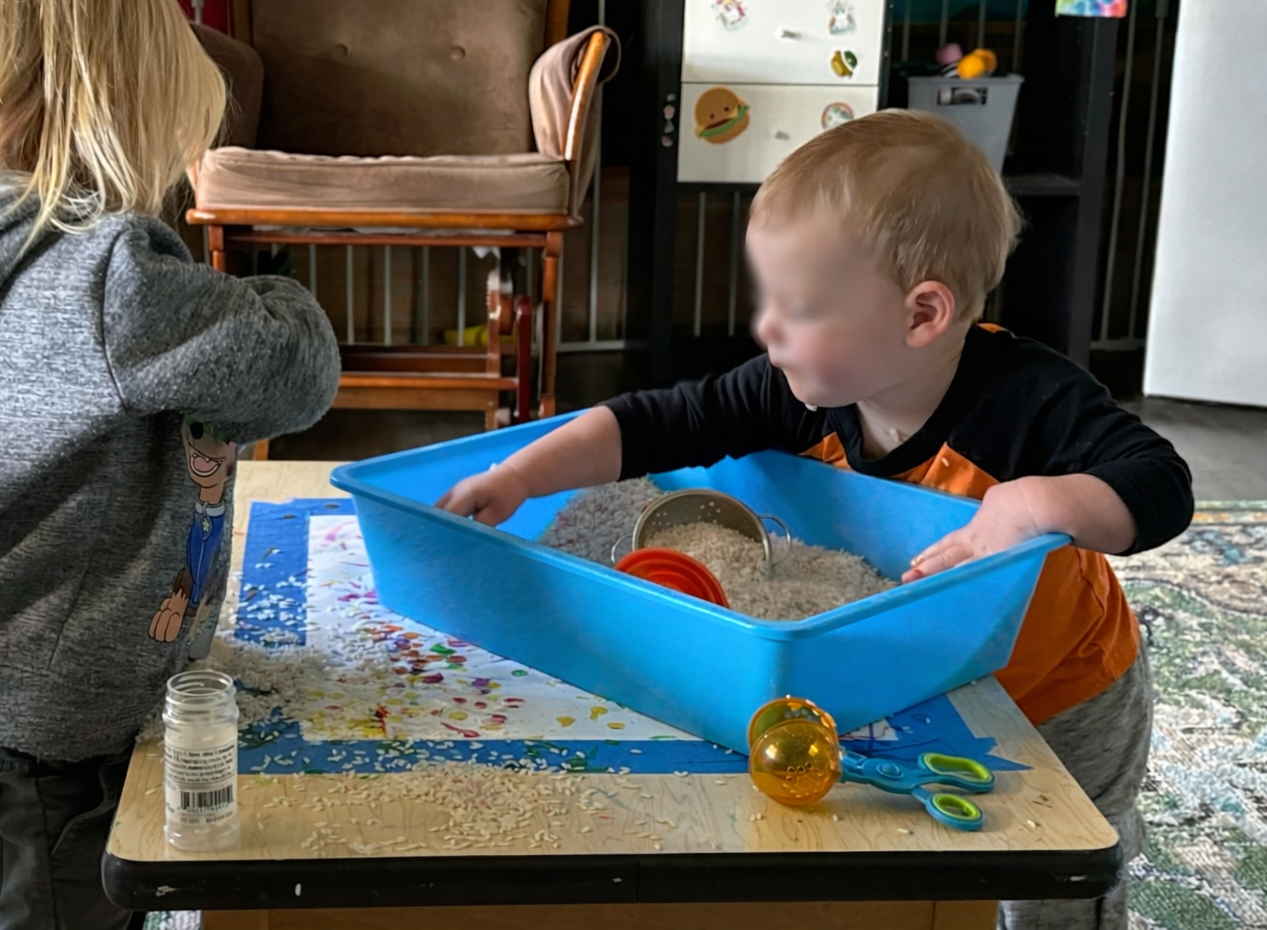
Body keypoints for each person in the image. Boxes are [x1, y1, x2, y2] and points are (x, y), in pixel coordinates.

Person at [439, 110, 1193, 930]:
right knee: (932, 868)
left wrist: (1036, 504)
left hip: (1060, 692)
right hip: (921, 679)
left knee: (1055, 867)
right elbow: (652, 422)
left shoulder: (1027, 399)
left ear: (921, 315)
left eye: (796, 308)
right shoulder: (802, 388)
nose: (766, 330)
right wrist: (519, 474)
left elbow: (1161, 483)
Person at [0, 0, 341, 927]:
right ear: (122, 86)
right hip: (59, 737)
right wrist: (272, 288)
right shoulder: (112, 278)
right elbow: (296, 372)